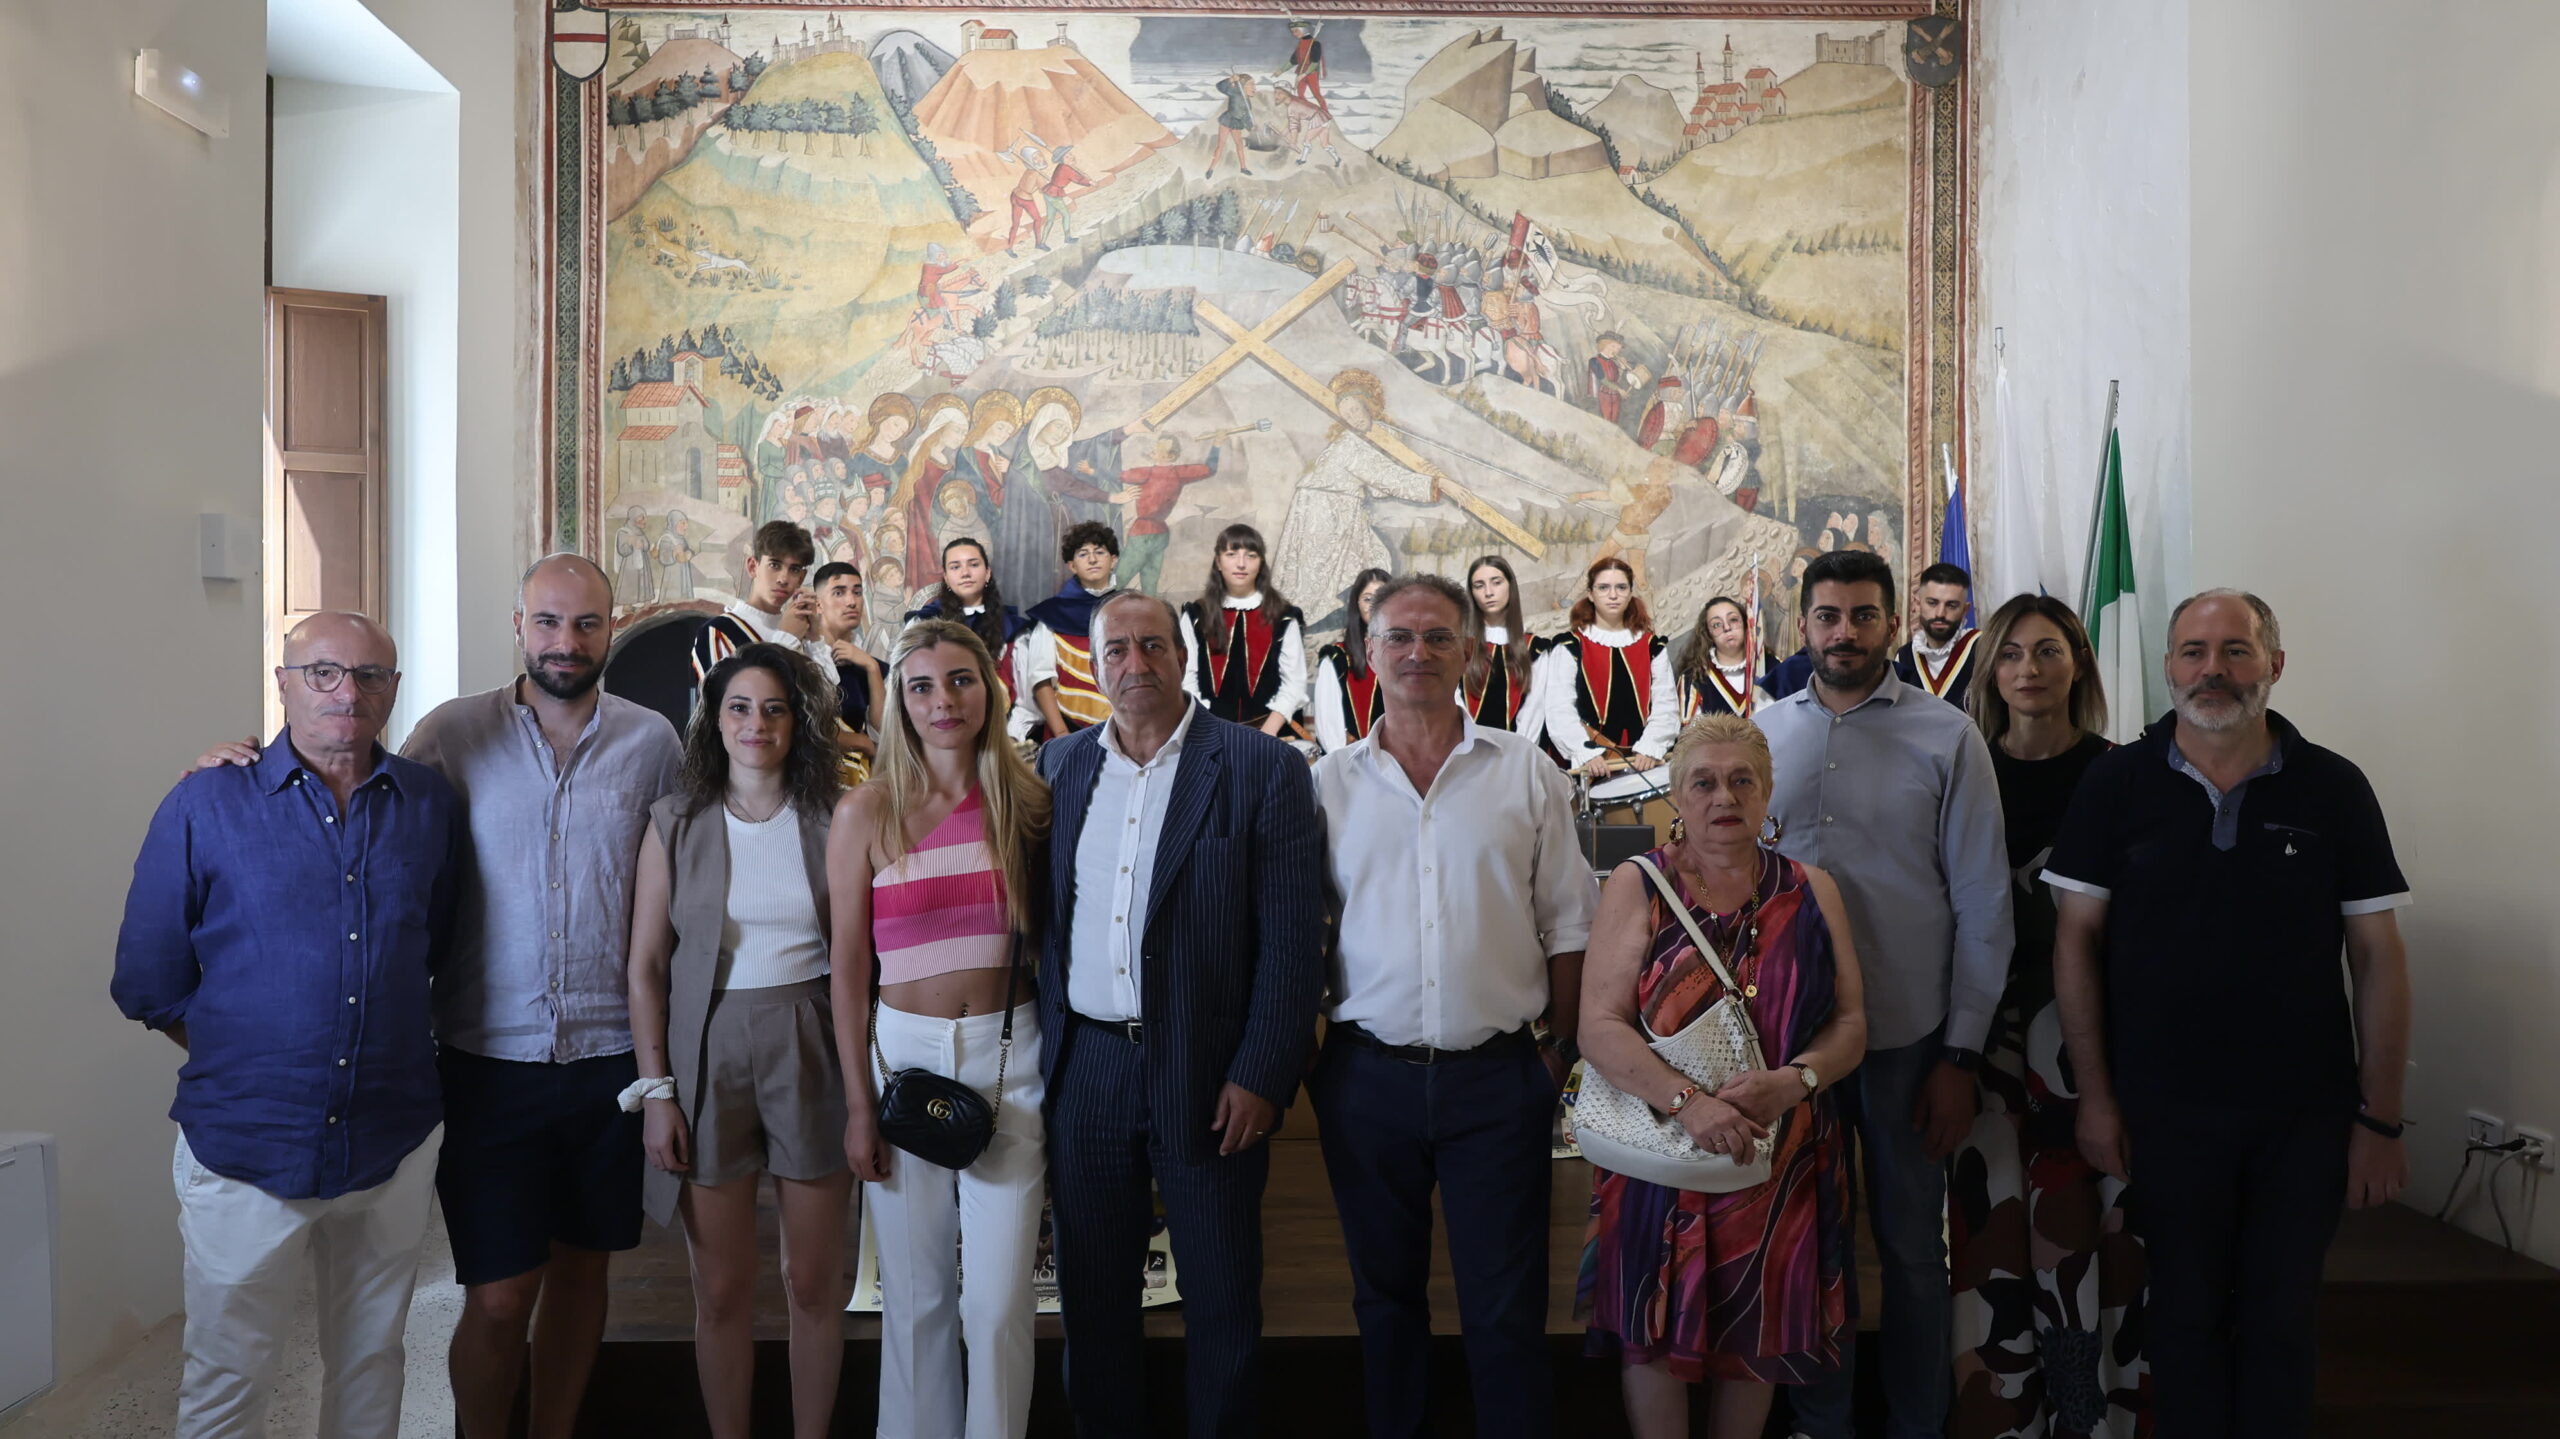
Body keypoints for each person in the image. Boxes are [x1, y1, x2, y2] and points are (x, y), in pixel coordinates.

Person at [2044, 590, 2410, 1439]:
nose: (2214, 670)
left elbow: (2378, 957)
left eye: (2236, 650)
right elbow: (2075, 944)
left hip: (2304, 1115)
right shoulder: (2116, 782)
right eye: (2194, 651)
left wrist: (2381, 1117)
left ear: (2274, 665)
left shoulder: (2334, 786)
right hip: (2164, 1112)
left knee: (2282, 1320)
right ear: (2169, 667)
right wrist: (2096, 1097)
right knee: (2185, 1317)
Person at [114, 612, 461, 1439]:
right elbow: (147, 979)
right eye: (323, 672)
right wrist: (252, 1051)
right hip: (246, 1143)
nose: (347, 692)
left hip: (391, 1137)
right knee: (229, 1374)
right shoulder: (206, 802)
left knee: (373, 1358)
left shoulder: (427, 804)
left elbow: (439, 945)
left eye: (370, 675)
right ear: (283, 684)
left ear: (394, 690)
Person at [1309, 573, 1598, 1439]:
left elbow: (1571, 923)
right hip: (1367, 1080)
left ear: (1471, 652)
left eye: (1439, 636)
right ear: (1368, 652)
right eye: (1399, 636)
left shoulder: (1524, 771)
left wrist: (1558, 1053)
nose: (1418, 652)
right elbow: (1300, 930)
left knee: (1504, 1304)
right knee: (1384, 1298)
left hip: (1499, 1080)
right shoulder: (1327, 784)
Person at [1035, 591, 1328, 1438]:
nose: (1136, 664)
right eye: (1117, 649)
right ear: (1095, 667)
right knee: (1093, 1295)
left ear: (1183, 654)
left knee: (1222, 1292)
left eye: (1153, 645)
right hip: (1088, 1065)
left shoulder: (1261, 767)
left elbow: (1292, 942)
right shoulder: (1058, 767)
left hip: (1210, 1069)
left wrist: (1261, 1071)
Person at [1755, 548, 2014, 1439]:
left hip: (1909, 1041)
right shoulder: (1762, 736)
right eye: (1828, 616)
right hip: (1791, 1046)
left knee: (1910, 1249)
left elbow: (1984, 902)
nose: (1845, 633)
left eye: (1865, 615)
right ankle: (1820, 1422)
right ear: (1802, 625)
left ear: (1893, 624)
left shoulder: (1949, 736)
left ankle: (1916, 1423)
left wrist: (1960, 1054)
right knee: (1810, 1247)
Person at [1578, 713, 1868, 1439]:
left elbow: (1852, 1024)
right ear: (1676, 795)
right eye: (1703, 782)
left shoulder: (1813, 889)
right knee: (1653, 1335)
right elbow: (1598, 1026)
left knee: (1758, 1335)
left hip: (1777, 1151)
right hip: (1658, 1149)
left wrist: (1795, 1081)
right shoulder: (1639, 884)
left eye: (1742, 780)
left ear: (1768, 791)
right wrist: (1690, 1104)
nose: (1724, 797)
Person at [828, 619, 1053, 1439]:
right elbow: (847, 970)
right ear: (900, 701)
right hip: (902, 1059)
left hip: (1010, 1055)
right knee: (917, 1299)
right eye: (920, 686)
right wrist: (860, 1106)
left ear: (989, 689)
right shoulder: (865, 809)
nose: (942, 700)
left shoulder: (1030, 803)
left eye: (960, 680)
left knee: (997, 1304)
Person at [627, 643, 852, 1439]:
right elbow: (647, 967)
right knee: (720, 1288)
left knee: (812, 1281)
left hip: (813, 1039)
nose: (757, 723)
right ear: (713, 720)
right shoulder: (676, 821)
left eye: (775, 708)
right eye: (739, 707)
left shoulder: (836, 815)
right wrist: (658, 1092)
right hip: (705, 1047)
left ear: (798, 722)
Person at [1946, 595, 2144, 1438]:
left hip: (2091, 1038)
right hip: (1985, 1033)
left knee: (2093, 1227)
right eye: (2012, 652)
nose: (2029, 668)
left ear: (2079, 664)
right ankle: (2004, 1419)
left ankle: (2096, 1418)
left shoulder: (2125, 773)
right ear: (1990, 669)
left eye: (2049, 650)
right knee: (1991, 1232)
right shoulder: (1963, 772)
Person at [1269, 369, 1444, 630]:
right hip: (1324, 514)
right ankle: (1328, 625)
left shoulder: (1363, 441)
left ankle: (1360, 623)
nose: (1352, 416)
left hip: (1338, 509)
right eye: (1346, 413)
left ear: (1368, 405)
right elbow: (1387, 479)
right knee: (1325, 575)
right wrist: (1433, 484)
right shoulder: (1350, 444)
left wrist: (1418, 471)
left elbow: (1378, 486)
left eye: (1355, 409)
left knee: (1374, 560)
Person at [1535, 557, 1677, 776]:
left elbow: (1666, 705)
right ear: (1591, 594)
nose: (1613, 595)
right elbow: (1559, 709)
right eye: (1603, 588)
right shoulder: (1570, 646)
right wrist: (1586, 752)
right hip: (1592, 769)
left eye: (1621, 587)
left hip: (1645, 764)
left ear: (1630, 593)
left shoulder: (1652, 646)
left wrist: (1651, 747)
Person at [1179, 523, 1310, 740]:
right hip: (1209, 732)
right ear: (1218, 562)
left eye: (1251, 555)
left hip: (1271, 735)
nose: (1241, 564)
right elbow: (1186, 679)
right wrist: (1209, 729)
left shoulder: (1284, 616)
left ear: (1261, 563)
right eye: (1231, 554)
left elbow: (1294, 683)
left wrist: (1267, 733)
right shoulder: (1195, 615)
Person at [906, 537, 1035, 742]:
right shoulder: (922, 624)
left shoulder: (1013, 628)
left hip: (999, 737)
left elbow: (1028, 699)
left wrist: (1010, 736)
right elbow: (905, 686)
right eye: (955, 567)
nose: (965, 573)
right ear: (946, 577)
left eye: (973, 565)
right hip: (937, 737)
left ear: (987, 573)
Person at [691, 520, 833, 684]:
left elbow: (831, 694)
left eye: (794, 569)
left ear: (801, 578)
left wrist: (815, 638)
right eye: (774, 565)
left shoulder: (801, 629)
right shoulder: (718, 632)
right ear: (753, 567)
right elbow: (722, 696)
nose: (783, 579)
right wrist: (785, 639)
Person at [1018, 521, 1120, 743]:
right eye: (1083, 554)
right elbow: (1041, 681)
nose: (1092, 559)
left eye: (1099, 552)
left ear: (1113, 560)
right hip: (1067, 730)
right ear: (1072, 566)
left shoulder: (1128, 609)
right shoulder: (1052, 615)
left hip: (1124, 732)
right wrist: (1062, 736)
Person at [1113, 431, 1221, 594]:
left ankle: (1104, 604)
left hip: (1142, 532)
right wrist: (1217, 444)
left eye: (1159, 447)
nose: (1154, 449)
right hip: (1160, 533)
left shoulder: (1147, 472)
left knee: (1121, 576)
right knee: (1150, 581)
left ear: (1170, 456)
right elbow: (1210, 469)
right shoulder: (1179, 473)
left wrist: (1092, 471)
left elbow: (1118, 476)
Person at [813, 561, 884, 775]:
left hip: (859, 777)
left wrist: (872, 667)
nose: (851, 602)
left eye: (857, 592)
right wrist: (860, 742)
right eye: (839, 593)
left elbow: (883, 733)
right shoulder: (804, 657)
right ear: (818, 604)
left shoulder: (872, 665)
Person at [1461, 554, 1544, 736]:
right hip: (1468, 746)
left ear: (1510, 586)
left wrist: (1519, 749)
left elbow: (1534, 711)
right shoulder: (1460, 645)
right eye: (1479, 586)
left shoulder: (1535, 648)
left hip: (1518, 748)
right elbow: (1453, 705)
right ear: (1472, 593)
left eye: (1496, 582)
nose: (1488, 592)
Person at [1311, 568, 1391, 753]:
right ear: (1357, 604)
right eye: (1368, 599)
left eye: (1383, 598)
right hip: (1353, 762)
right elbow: (1329, 731)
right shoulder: (1337, 659)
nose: (1375, 605)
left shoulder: (1412, 655)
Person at [1895, 561, 1981, 706]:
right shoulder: (1904, 657)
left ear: (1965, 610)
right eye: (1932, 603)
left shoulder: (1984, 649)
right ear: (1917, 604)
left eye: (1951, 605)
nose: (1940, 613)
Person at [1673, 595, 1771, 722]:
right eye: (1716, 625)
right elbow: (1691, 732)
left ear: (1746, 623)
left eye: (1733, 620)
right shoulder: (1694, 678)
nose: (1727, 628)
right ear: (1708, 633)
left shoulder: (1771, 665)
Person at [1209, 72, 1255, 178]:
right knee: (1221, 145)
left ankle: (1243, 168)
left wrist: (1251, 128)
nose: (1254, 88)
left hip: (1236, 123)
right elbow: (1220, 86)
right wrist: (1231, 80)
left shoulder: (1248, 102)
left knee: (1239, 145)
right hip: (1227, 120)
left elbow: (1246, 117)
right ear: (1243, 85)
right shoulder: (1235, 92)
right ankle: (1211, 168)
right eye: (1251, 84)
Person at [614, 506, 658, 607]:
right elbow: (622, 550)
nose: (644, 520)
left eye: (644, 517)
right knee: (630, 583)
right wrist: (630, 542)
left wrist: (643, 545)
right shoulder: (624, 532)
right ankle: (627, 607)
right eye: (641, 517)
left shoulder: (639, 532)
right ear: (633, 517)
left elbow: (646, 545)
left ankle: (647, 604)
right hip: (629, 566)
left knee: (644, 582)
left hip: (643, 564)